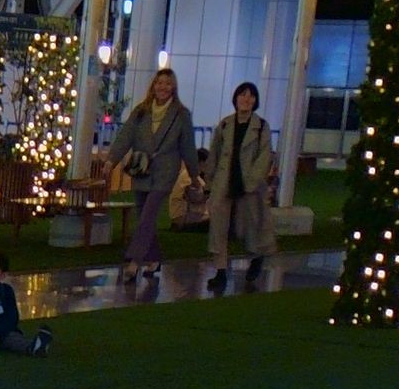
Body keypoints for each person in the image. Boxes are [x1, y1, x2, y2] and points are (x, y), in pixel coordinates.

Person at [109, 66, 196, 290]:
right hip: (142, 169)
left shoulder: (181, 115)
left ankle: (134, 261)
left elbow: (188, 147)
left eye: (168, 83)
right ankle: (154, 258)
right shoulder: (142, 111)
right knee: (143, 215)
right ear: (153, 86)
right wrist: (111, 161)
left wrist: (195, 175)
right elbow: (125, 136)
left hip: (165, 172)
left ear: (173, 87)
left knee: (148, 215)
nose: (163, 87)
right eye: (159, 83)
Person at [203, 81, 278, 293]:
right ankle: (220, 271)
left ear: (255, 101)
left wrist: (253, 180)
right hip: (224, 182)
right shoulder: (225, 125)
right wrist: (210, 180)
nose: (246, 99)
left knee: (251, 225)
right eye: (242, 95)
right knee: (218, 227)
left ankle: (257, 257)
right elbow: (215, 153)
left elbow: (265, 156)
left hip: (249, 185)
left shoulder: (261, 127)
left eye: (250, 95)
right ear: (235, 98)